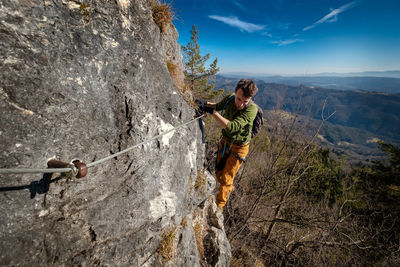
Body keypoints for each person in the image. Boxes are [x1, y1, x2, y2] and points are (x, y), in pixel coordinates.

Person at [196, 79, 258, 208]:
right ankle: (228, 188)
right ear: (235, 92)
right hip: (226, 140)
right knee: (219, 171)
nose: (241, 104)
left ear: (250, 98)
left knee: (226, 178)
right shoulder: (230, 98)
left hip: (239, 147)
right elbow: (218, 106)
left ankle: (219, 207)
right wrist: (205, 103)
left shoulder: (252, 109)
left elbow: (233, 126)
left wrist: (212, 112)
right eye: (239, 99)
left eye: (245, 101)